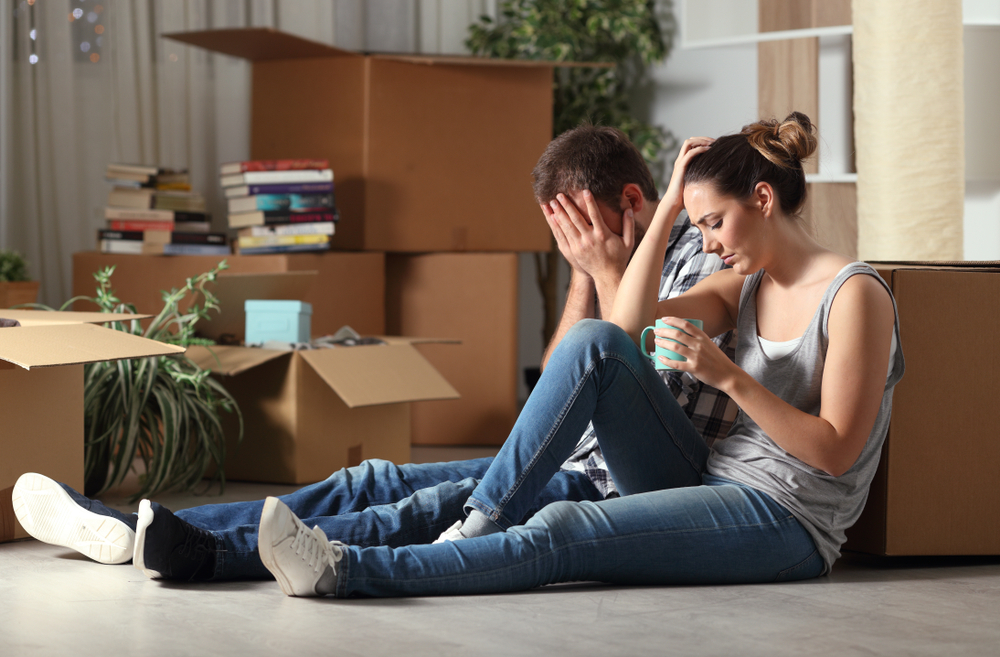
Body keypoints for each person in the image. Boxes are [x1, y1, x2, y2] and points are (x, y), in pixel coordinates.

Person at [12, 125, 736, 581]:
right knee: (372, 479)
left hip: (622, 481)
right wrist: (585, 271)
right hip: (576, 456)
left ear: (633, 203)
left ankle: (199, 551)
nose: (574, 245)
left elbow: (622, 366)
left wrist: (607, 269)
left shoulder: (701, 257)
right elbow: (555, 389)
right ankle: (134, 523)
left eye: (580, 227)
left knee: (413, 509)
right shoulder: (611, 267)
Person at [253, 111, 905, 598]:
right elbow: (624, 332)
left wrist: (728, 376)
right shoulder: (749, 282)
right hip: (708, 476)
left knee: (565, 528)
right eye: (697, 224)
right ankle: (484, 519)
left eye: (712, 222)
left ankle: (343, 569)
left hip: (785, 519)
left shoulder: (854, 294)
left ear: (762, 200)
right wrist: (672, 198)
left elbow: (835, 449)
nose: (705, 244)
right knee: (596, 341)